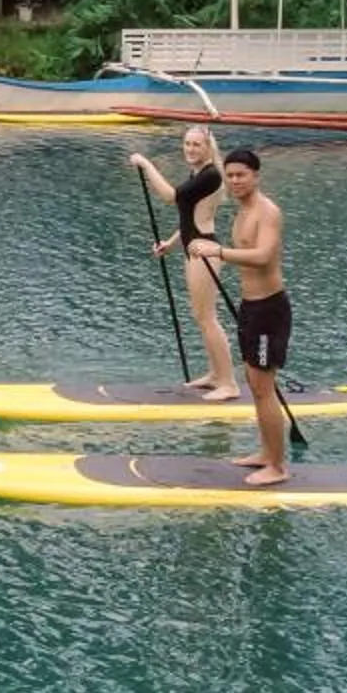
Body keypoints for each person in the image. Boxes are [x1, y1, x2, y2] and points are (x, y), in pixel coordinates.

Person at [190, 147, 290, 486]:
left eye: (241, 175)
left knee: (264, 388)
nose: (234, 181)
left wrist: (217, 251)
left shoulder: (267, 212)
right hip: (250, 308)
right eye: (230, 175)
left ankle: (277, 467)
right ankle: (265, 453)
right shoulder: (241, 210)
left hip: (269, 310)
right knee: (255, 384)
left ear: (255, 176)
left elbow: (262, 256)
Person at [133, 128, 237, 401]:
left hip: (205, 251)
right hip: (194, 247)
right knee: (201, 317)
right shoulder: (199, 174)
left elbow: (171, 197)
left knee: (208, 318)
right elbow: (191, 217)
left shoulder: (211, 175)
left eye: (196, 145)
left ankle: (229, 383)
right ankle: (215, 375)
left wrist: (147, 165)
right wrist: (170, 242)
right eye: (187, 144)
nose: (190, 149)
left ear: (207, 148)